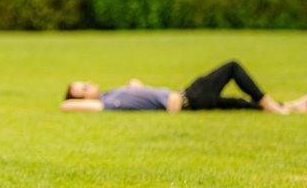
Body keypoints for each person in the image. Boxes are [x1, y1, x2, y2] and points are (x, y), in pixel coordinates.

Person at [60, 60, 297, 114]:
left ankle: (290, 107)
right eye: (84, 87)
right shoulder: (107, 103)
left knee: (241, 105)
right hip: (188, 99)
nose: (89, 84)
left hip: (188, 96)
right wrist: (79, 101)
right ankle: (272, 105)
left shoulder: (111, 94)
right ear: (84, 98)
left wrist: (136, 86)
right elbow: (64, 105)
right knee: (232, 67)